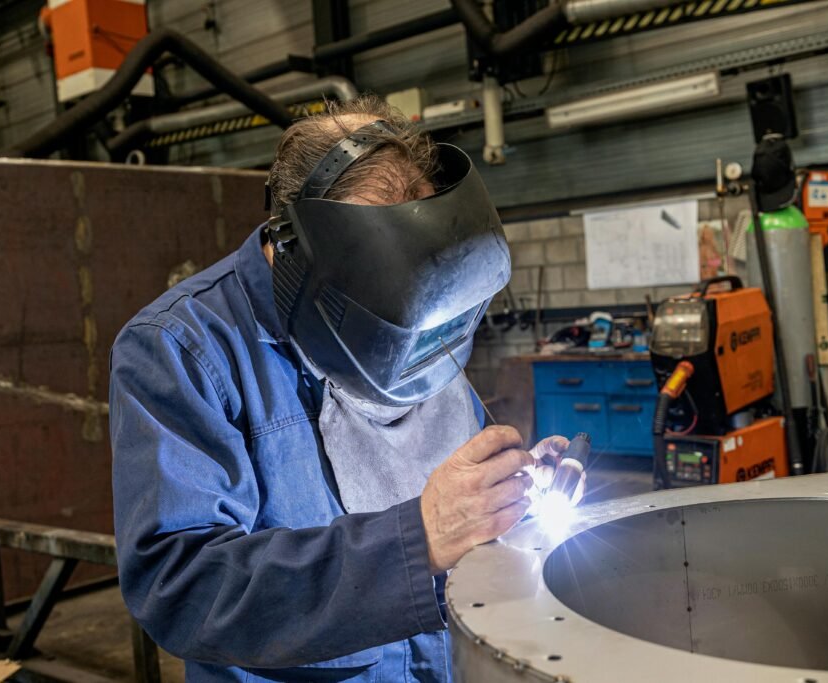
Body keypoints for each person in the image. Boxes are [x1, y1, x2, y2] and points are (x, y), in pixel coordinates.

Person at [109, 96, 578, 683]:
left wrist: (511, 493)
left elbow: (457, 482)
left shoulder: (414, 302)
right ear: (298, 251)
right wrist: (417, 540)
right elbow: (181, 588)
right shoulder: (182, 348)